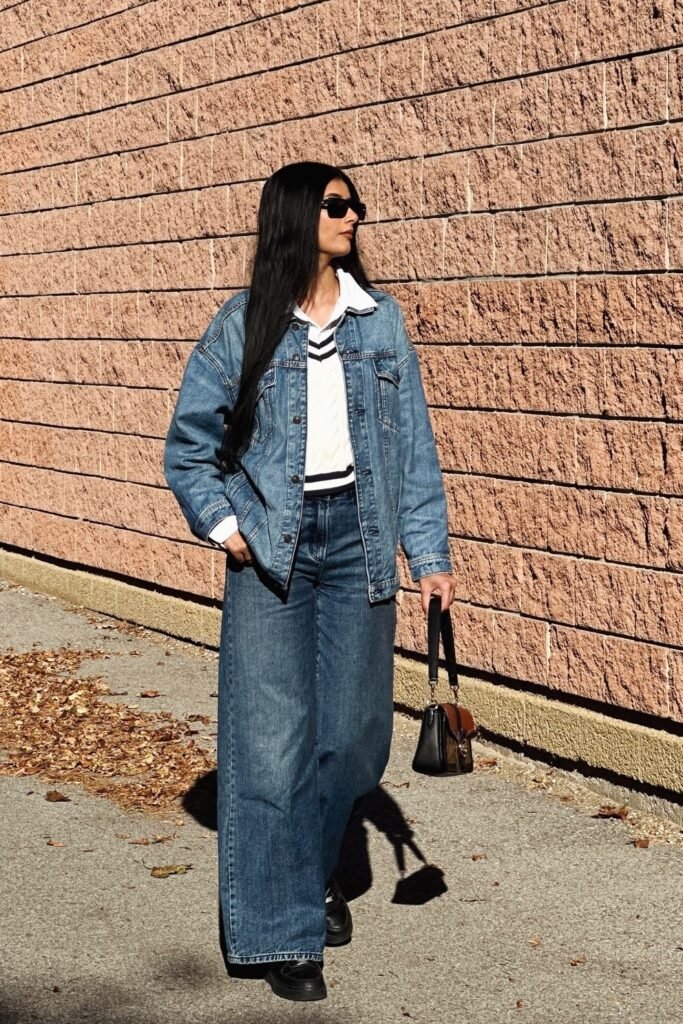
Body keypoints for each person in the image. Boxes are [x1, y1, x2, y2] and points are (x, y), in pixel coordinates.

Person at [163, 161, 455, 1002]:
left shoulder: (379, 323)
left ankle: (315, 867)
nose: (353, 214)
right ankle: (283, 931)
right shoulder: (244, 324)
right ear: (296, 216)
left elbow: (412, 453)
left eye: (355, 203)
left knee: (357, 738)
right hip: (274, 552)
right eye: (336, 204)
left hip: (359, 541)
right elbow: (189, 446)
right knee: (268, 746)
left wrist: (427, 556)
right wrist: (228, 530)